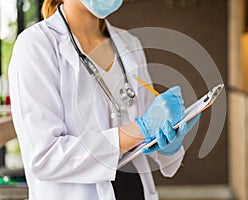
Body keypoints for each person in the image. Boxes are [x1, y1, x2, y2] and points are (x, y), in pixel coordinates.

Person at [8, 0, 201, 199]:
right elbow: (45, 157)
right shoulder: (36, 45)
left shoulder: (129, 42)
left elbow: (149, 133)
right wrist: (140, 129)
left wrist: (169, 142)